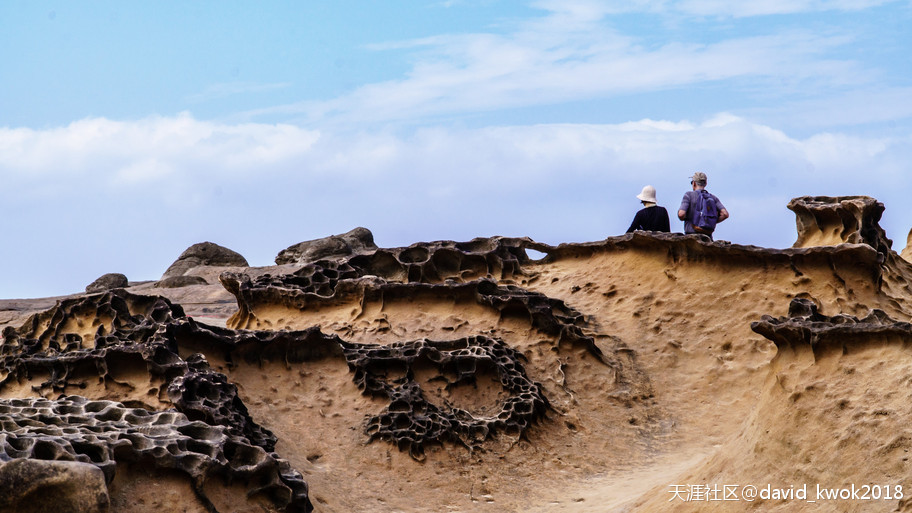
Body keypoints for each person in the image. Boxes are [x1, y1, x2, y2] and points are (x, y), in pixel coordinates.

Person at [677, 172, 729, 239]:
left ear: (694, 183)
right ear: (706, 184)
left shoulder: (689, 195)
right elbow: (725, 214)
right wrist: (711, 221)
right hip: (707, 237)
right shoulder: (713, 198)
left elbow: (681, 214)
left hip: (691, 237)